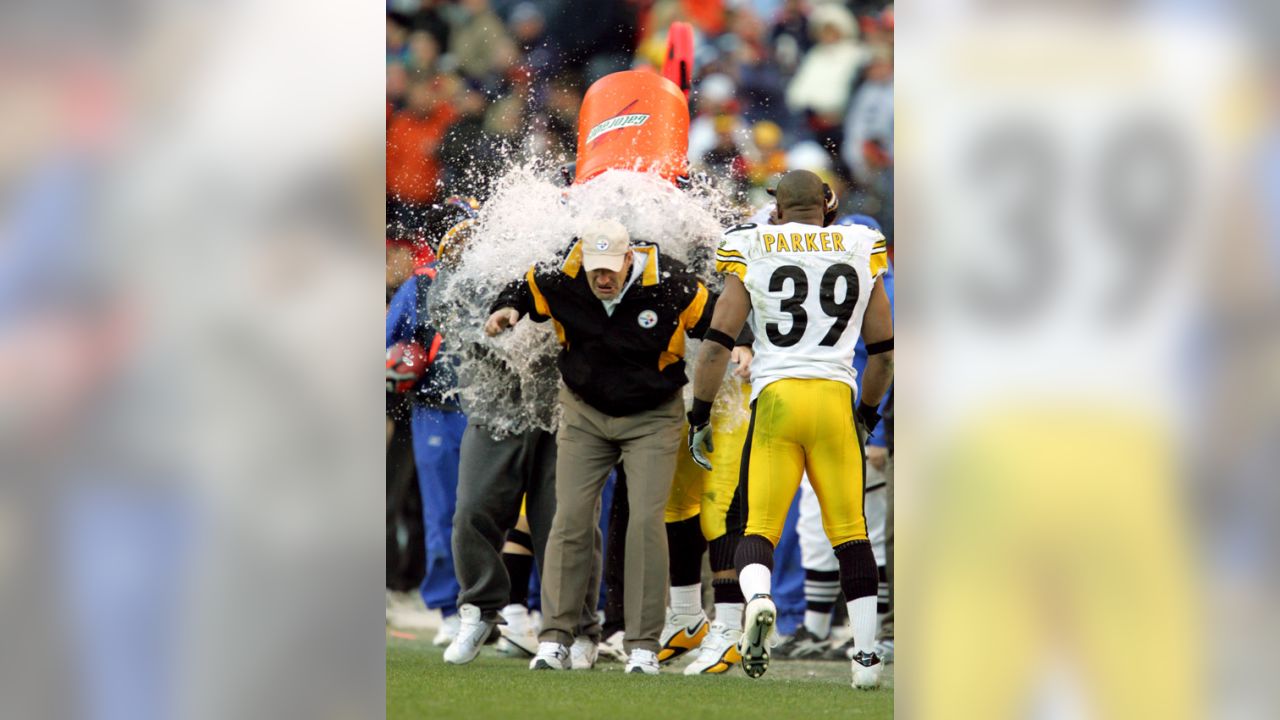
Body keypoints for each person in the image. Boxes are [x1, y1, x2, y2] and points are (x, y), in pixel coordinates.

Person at [686, 170, 893, 689]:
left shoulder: (751, 244)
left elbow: (715, 344)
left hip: (777, 399)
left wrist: (699, 413)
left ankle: (758, 601)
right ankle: (866, 658)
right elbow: (885, 356)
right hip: (833, 398)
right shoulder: (860, 242)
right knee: (850, 532)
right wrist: (867, 414)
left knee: (760, 528)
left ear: (777, 207)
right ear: (828, 205)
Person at [485, 218, 717, 675]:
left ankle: (643, 644)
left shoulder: (670, 283)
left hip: (653, 413)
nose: (603, 278)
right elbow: (521, 289)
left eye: (612, 269)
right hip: (585, 411)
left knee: (647, 522)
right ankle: (555, 639)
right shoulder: (561, 275)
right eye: (596, 270)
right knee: (569, 517)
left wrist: (743, 347)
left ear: (630, 258)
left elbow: (719, 319)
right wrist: (505, 309)